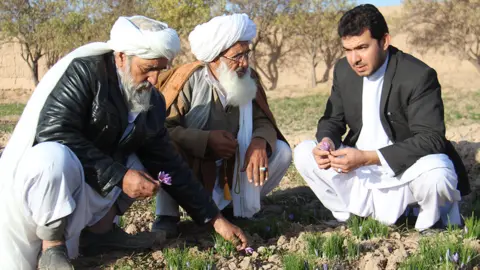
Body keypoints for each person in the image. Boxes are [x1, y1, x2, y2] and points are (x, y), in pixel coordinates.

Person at [0, 16, 247, 270]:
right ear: (120, 58)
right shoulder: (86, 74)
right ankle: (52, 248)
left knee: (148, 160)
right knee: (51, 157)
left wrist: (215, 219)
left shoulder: (152, 101)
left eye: (159, 70)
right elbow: (53, 132)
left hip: (90, 187)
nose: (154, 80)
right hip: (50, 191)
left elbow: (169, 163)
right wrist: (120, 176)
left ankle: (100, 234)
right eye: (147, 69)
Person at [294, 4, 470, 231]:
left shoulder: (417, 75)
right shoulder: (343, 70)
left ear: (384, 41)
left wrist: (368, 157)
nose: (354, 58)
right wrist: (326, 143)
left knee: (438, 172)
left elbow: (431, 138)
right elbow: (332, 120)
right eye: (347, 49)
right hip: (358, 168)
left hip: (404, 168)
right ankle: (352, 216)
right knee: (303, 153)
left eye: (362, 47)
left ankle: (428, 222)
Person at [151, 13, 291, 236]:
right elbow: (163, 129)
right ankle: (167, 215)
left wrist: (259, 142)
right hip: (194, 164)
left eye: (247, 54)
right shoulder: (188, 80)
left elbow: (262, 119)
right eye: (236, 57)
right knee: (166, 151)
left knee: (282, 152)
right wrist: (206, 141)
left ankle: (235, 209)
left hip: (232, 165)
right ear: (215, 58)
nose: (244, 62)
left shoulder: (249, 77)